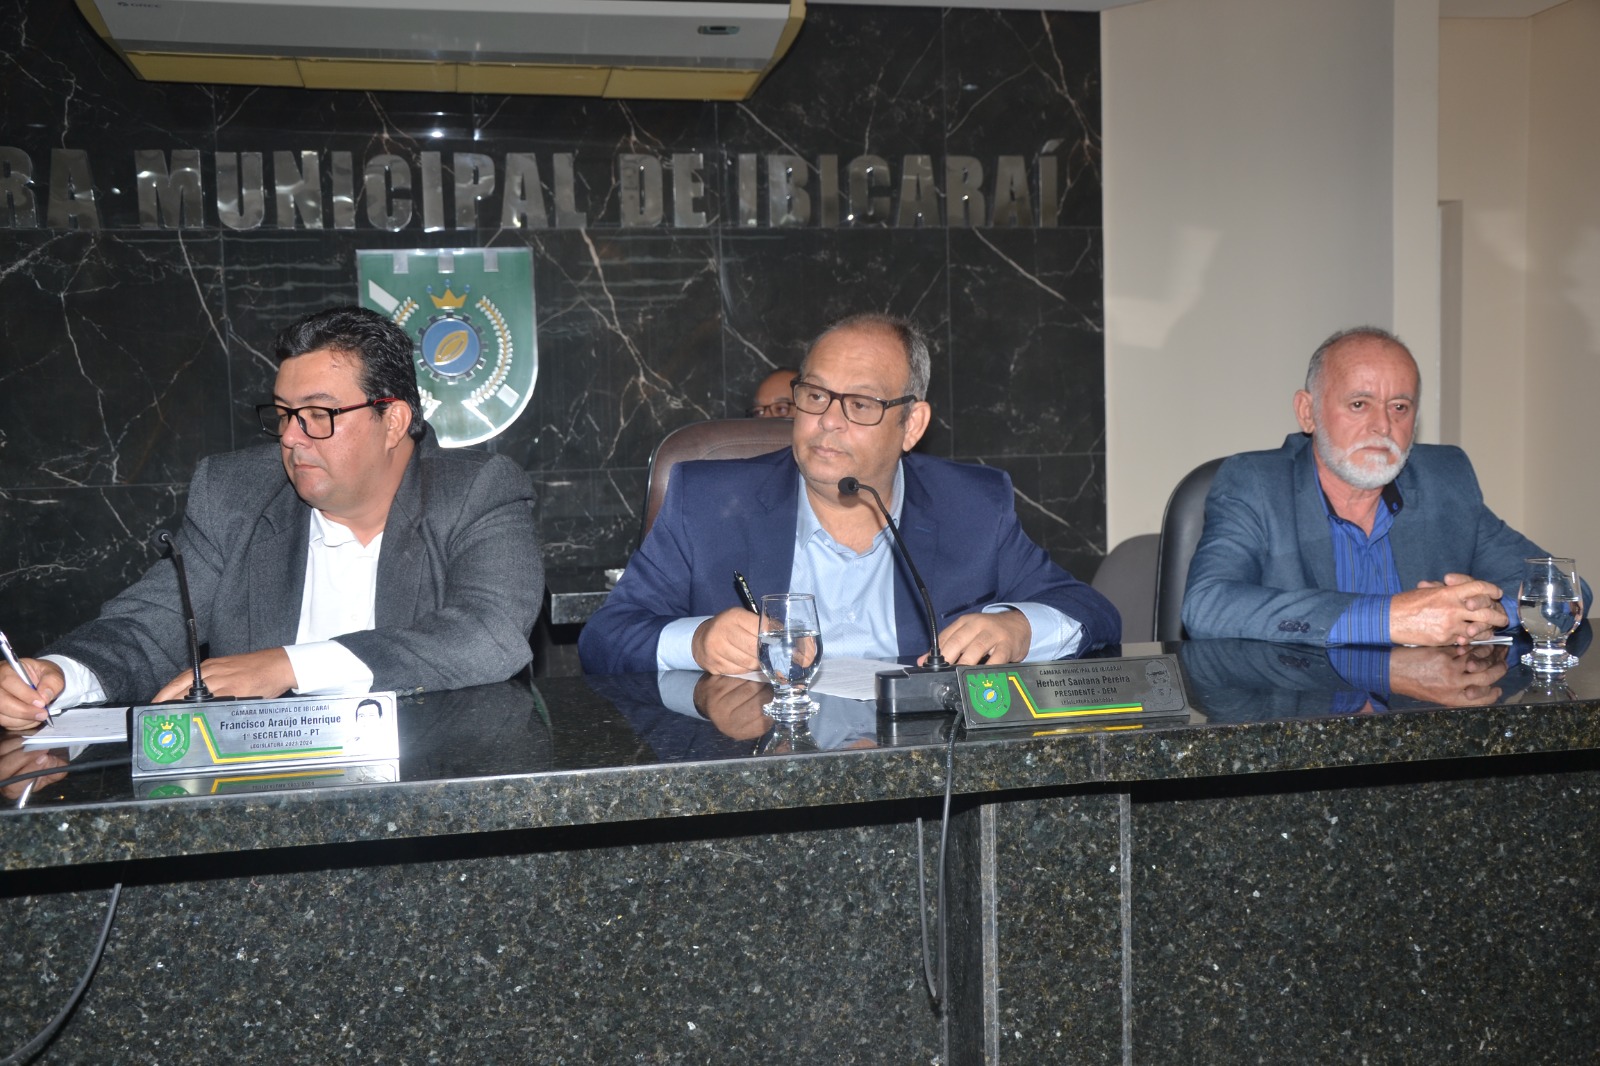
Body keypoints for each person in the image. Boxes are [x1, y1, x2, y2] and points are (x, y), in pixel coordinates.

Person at [0, 306, 544, 730]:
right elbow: (150, 625)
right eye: (284, 414)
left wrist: (287, 665)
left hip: (434, 784)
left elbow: (489, 633)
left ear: (394, 420)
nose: (291, 437)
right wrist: (62, 675)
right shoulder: (235, 494)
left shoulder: (474, 491)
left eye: (318, 414)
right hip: (262, 798)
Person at [579, 312, 1120, 675]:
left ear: (911, 425)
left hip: (923, 775)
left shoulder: (972, 507)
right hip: (760, 769)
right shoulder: (707, 502)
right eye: (815, 395)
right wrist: (697, 643)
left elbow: (1093, 613)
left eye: (860, 405)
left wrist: (1018, 629)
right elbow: (605, 637)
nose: (827, 422)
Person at [1182, 325, 1589, 646]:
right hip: (1302, 716)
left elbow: (1567, 590)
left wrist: (1485, 613)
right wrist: (1389, 618)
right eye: (1359, 404)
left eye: (1399, 407)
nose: (1383, 425)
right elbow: (1206, 606)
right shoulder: (1255, 484)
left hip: (1418, 716)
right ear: (1308, 412)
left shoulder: (1445, 480)